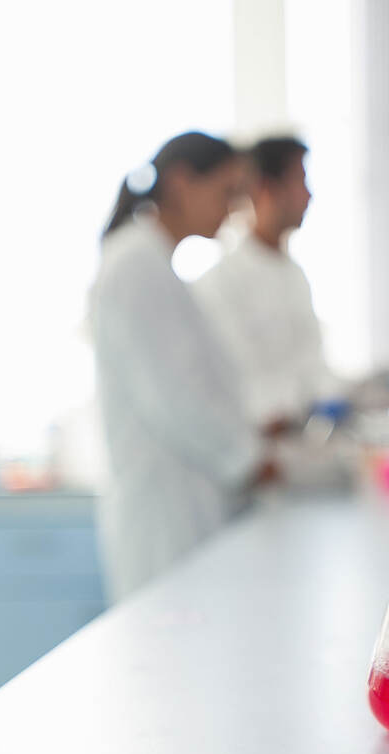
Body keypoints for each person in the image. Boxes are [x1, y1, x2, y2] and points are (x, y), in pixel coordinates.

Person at [89, 132, 269, 602]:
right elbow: (174, 398)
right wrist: (251, 460)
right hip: (163, 519)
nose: (233, 210)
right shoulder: (135, 265)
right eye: (226, 192)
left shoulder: (155, 263)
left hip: (186, 508)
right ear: (182, 182)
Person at [192, 136, 337, 434]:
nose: (309, 196)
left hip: (301, 448)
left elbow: (314, 369)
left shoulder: (295, 275)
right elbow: (235, 393)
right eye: (300, 181)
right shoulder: (220, 283)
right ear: (265, 188)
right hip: (250, 457)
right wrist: (299, 404)